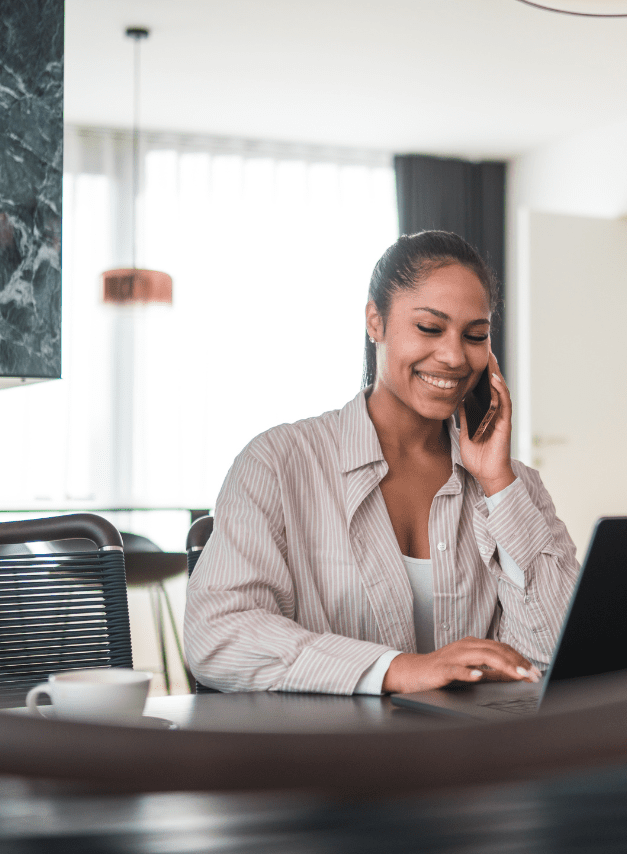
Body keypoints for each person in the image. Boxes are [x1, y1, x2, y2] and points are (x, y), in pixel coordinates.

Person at [185, 231, 579, 695]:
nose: (454, 356)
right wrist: (401, 670)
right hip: (336, 740)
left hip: (476, 740)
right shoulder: (278, 463)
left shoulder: (514, 485)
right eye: (429, 328)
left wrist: (498, 484)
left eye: (475, 335)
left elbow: (559, 651)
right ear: (376, 321)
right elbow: (217, 634)